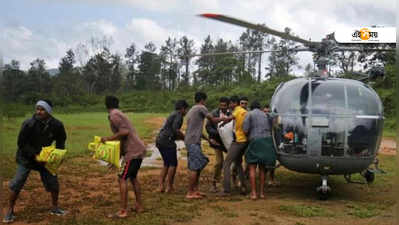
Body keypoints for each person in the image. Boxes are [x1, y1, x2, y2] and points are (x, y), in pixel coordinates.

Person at [3, 100, 67, 223]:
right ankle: (10, 210)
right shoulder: (29, 124)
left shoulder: (57, 125)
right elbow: (21, 143)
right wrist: (35, 154)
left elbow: (61, 141)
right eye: (37, 109)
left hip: (45, 158)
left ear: (48, 111)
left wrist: (58, 156)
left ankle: (55, 208)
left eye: (42, 109)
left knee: (53, 181)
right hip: (26, 157)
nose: (38, 111)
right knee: (18, 181)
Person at [102, 96, 146, 218]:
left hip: (133, 152)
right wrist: (116, 158)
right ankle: (139, 206)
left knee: (122, 178)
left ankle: (123, 211)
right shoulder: (118, 113)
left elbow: (124, 132)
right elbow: (122, 138)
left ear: (106, 105)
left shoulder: (114, 115)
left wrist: (107, 139)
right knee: (133, 177)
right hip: (137, 150)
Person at [184, 92, 227, 199]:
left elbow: (196, 129)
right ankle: (190, 192)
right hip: (193, 142)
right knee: (195, 167)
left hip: (191, 140)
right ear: (203, 100)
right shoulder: (201, 108)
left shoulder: (191, 110)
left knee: (197, 165)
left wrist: (208, 139)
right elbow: (212, 120)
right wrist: (226, 118)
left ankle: (195, 190)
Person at [243, 101, 277, 199]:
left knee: (252, 167)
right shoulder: (266, 115)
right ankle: (262, 193)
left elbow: (245, 130)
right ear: (260, 107)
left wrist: (249, 137)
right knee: (262, 168)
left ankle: (253, 193)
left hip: (255, 141)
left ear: (252, 107)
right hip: (267, 141)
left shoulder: (249, 114)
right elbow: (272, 127)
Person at [155, 100, 189, 193]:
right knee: (173, 164)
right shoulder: (179, 115)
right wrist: (185, 138)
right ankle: (169, 187)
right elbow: (175, 129)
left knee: (166, 163)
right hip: (167, 141)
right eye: (186, 110)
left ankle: (160, 185)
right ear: (182, 109)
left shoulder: (173, 113)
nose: (186, 112)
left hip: (160, 140)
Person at [218, 95, 248, 196]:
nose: (229, 105)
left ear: (234, 103)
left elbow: (230, 118)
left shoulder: (237, 110)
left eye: (230, 103)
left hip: (238, 141)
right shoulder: (245, 111)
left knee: (226, 163)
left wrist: (220, 122)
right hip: (245, 141)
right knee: (238, 163)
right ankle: (243, 187)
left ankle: (226, 190)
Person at [205, 97, 231, 193]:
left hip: (228, 142)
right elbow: (207, 127)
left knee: (235, 162)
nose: (222, 107)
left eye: (224, 105)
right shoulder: (214, 113)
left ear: (228, 105)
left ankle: (234, 180)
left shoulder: (231, 113)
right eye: (221, 105)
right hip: (217, 142)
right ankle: (214, 183)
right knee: (219, 162)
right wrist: (217, 133)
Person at [263, 104, 279, 186]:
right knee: (263, 163)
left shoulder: (272, 121)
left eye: (268, 112)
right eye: (265, 112)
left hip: (271, 142)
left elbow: (276, 127)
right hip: (264, 142)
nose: (266, 114)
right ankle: (264, 180)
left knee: (272, 161)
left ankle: (271, 179)